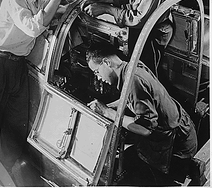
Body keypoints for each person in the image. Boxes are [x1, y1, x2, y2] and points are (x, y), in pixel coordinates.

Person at [0, 0, 92, 173]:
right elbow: (33, 28)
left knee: (16, 120)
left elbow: (50, 11)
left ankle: (6, 168)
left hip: (17, 65)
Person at [86, 41, 206, 186]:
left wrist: (108, 112)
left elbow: (145, 129)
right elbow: (129, 98)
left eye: (96, 72)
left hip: (177, 145)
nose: (98, 77)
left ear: (106, 62)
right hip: (173, 130)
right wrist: (107, 107)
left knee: (142, 175)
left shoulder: (134, 80)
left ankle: (190, 170)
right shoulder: (130, 67)